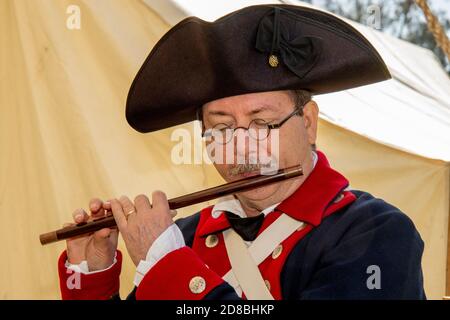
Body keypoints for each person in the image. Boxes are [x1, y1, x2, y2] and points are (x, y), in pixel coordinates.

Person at [58, 4, 425, 300]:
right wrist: (91, 275)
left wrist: (168, 265)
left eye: (262, 123)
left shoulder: (377, 232)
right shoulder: (185, 237)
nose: (242, 148)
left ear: (309, 122)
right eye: (221, 129)